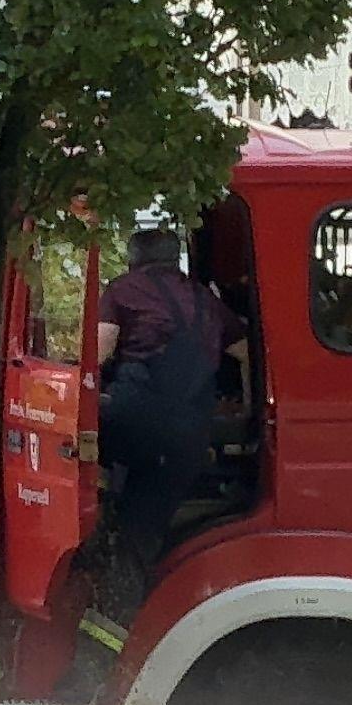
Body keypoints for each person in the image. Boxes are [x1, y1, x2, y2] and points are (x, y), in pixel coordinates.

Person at [94, 224, 233, 589]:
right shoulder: (205, 300)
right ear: (175, 258)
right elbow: (247, 351)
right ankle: (132, 591)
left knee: (74, 445)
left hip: (130, 422)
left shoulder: (123, 290)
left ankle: (98, 523)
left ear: (133, 258)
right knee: (142, 528)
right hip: (187, 435)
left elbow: (97, 352)